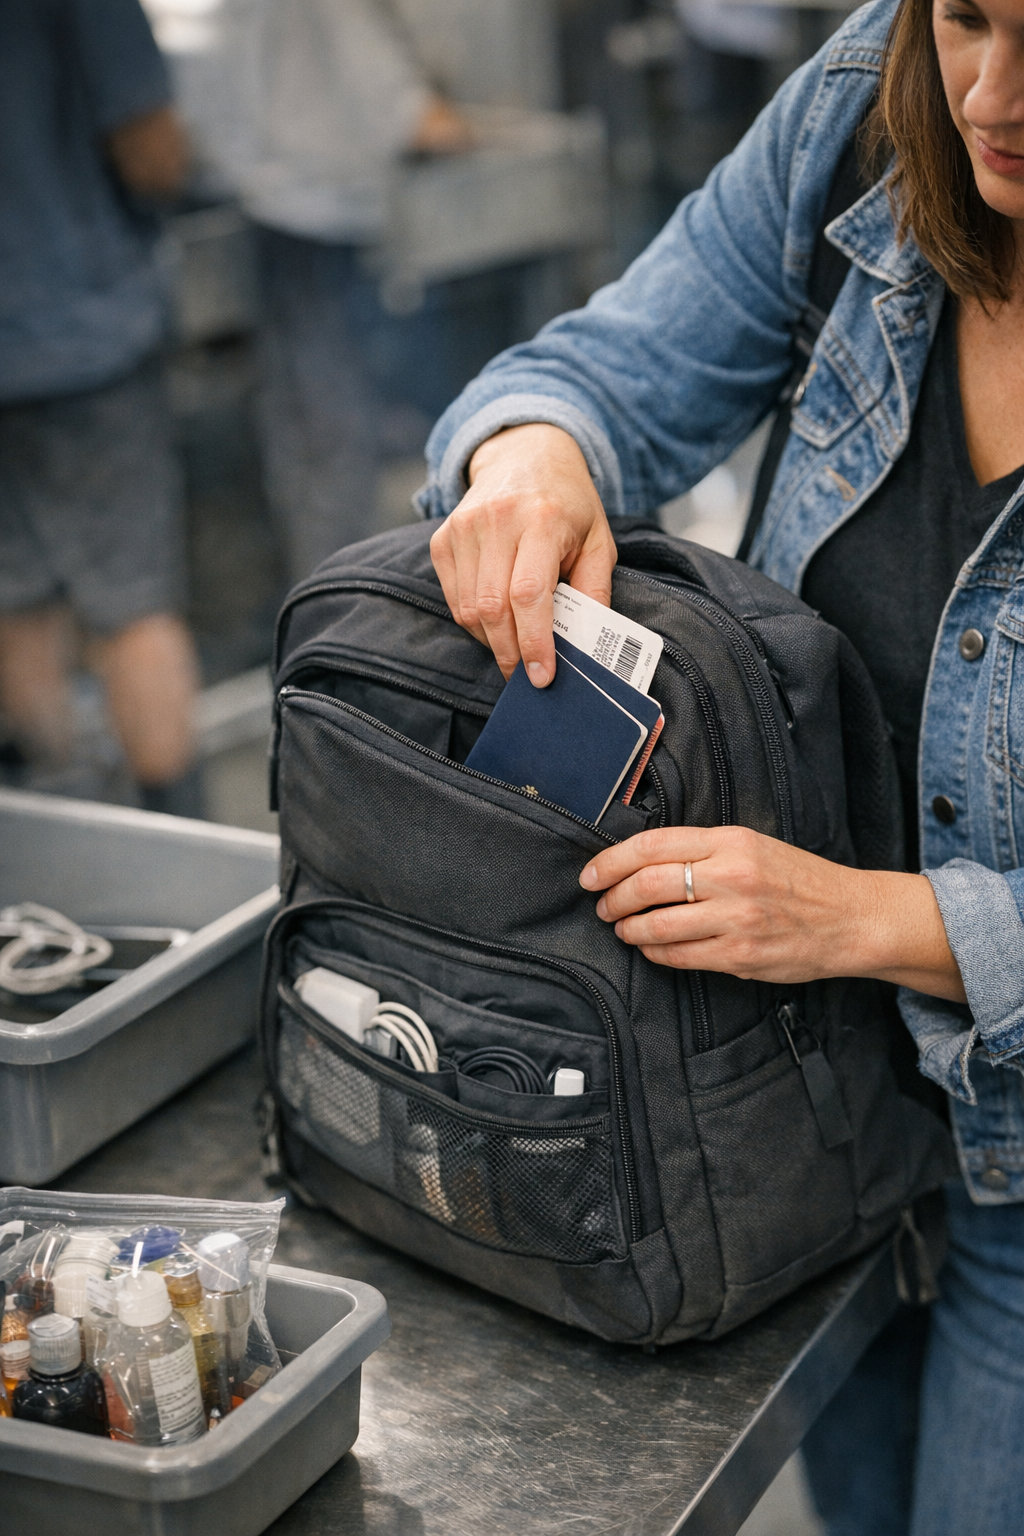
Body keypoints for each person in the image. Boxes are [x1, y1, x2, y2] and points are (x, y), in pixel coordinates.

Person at [418, 0, 1024, 1529]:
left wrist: (863, 921)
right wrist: (541, 449)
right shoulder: (858, 120)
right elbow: (614, 369)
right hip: (819, 1104)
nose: (988, 94)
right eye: (966, 17)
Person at [0, 0, 201, 815]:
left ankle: (67, 847)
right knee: (134, 607)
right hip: (78, 338)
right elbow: (152, 151)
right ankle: (181, 850)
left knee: (15, 595)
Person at [197, 0, 474, 586]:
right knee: (338, 445)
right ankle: (352, 609)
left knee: (306, 442)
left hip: (274, 221)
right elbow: (417, 119)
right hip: (325, 233)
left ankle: (326, 605)